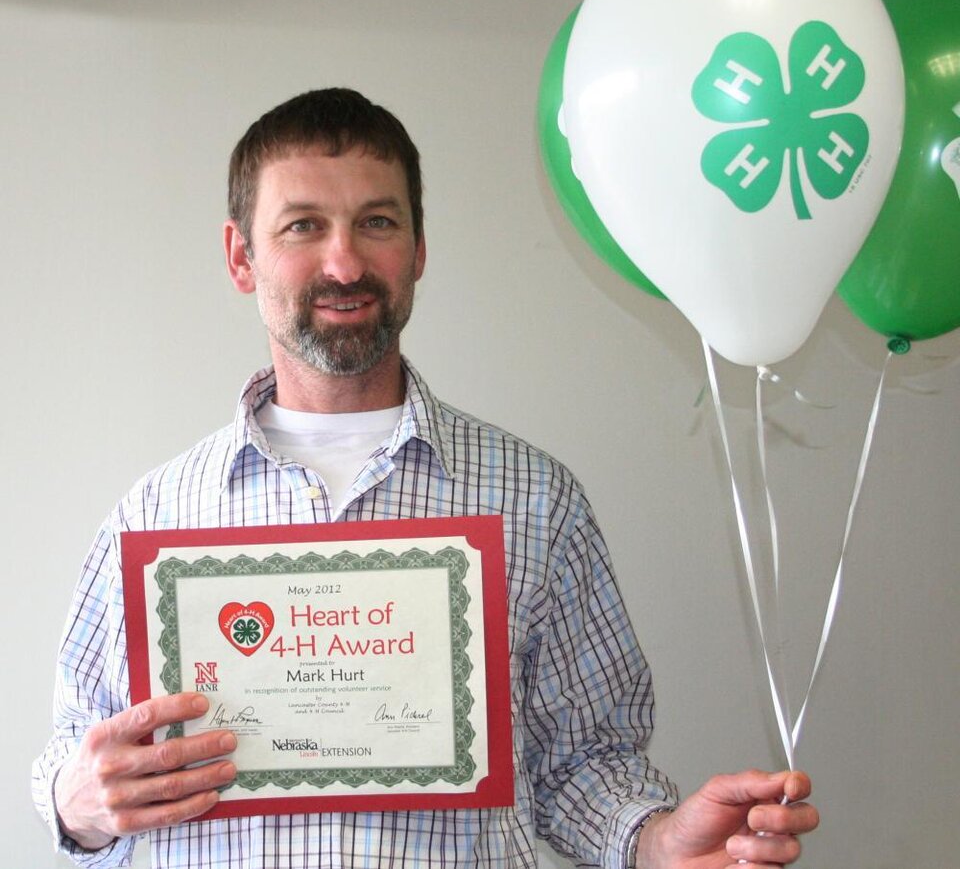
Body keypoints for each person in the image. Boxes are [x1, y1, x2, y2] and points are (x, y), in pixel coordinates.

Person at [33, 88, 818, 869]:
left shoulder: (535, 500)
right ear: (242, 256)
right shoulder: (153, 516)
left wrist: (656, 842)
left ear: (418, 250)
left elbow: (583, 762)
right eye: (303, 226)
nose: (344, 262)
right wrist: (80, 802)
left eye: (377, 222)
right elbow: (76, 752)